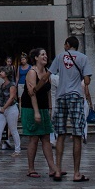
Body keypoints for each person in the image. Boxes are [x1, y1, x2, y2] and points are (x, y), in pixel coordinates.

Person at [49, 35, 92, 182]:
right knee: (77, 134)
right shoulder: (83, 58)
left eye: (65, 44)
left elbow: (48, 75)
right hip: (75, 96)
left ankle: (58, 170)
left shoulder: (60, 57)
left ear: (68, 44)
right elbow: (86, 80)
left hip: (61, 97)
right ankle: (76, 173)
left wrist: (35, 88)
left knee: (60, 134)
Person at [21, 48, 56, 179]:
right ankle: (31, 168)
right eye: (42, 54)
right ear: (36, 58)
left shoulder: (47, 72)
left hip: (43, 108)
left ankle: (52, 168)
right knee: (34, 138)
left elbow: (48, 92)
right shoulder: (31, 72)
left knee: (46, 137)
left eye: (46, 54)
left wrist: (50, 108)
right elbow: (32, 93)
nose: (45, 56)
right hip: (30, 108)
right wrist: (36, 112)